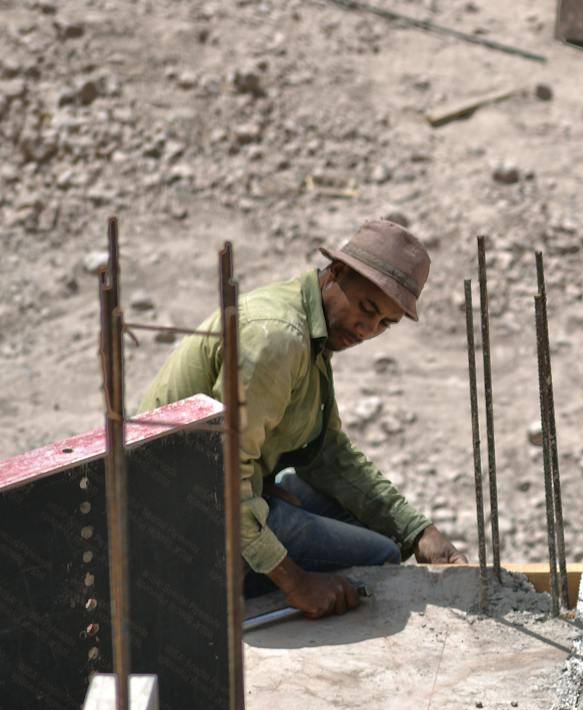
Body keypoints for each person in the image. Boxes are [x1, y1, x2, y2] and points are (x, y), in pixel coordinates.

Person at [139, 218, 464, 618]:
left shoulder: (312, 330)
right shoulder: (278, 338)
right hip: (179, 525)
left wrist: (418, 531)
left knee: (382, 527)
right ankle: (216, 604)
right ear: (336, 273)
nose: (367, 329)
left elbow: (327, 453)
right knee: (380, 556)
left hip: (221, 492)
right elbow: (219, 476)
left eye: (384, 324)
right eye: (366, 308)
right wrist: (297, 582)